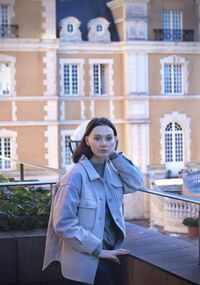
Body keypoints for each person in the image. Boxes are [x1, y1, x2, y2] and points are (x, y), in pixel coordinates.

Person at [42, 117, 144, 285]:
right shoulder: (75, 176)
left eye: (109, 138)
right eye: (97, 138)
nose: (103, 143)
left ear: (115, 141)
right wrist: (99, 251)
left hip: (111, 253)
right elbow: (63, 223)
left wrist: (114, 155)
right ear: (87, 141)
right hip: (86, 260)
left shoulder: (112, 170)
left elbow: (136, 182)